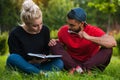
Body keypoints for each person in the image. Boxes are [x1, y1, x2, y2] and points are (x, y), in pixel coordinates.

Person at [48, 7, 117, 74]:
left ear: (81, 24)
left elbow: (113, 42)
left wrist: (89, 37)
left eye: (72, 25)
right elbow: (62, 46)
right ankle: (80, 70)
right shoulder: (63, 31)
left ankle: (80, 69)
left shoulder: (93, 30)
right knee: (54, 44)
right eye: (68, 23)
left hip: (91, 64)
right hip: (71, 63)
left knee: (108, 49)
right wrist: (55, 42)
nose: (68, 27)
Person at [6, 0, 63, 74]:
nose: (39, 28)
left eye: (41, 23)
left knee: (59, 63)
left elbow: (46, 51)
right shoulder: (15, 33)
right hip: (24, 64)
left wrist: (52, 46)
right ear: (26, 23)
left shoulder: (45, 30)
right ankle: (41, 73)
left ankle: (34, 73)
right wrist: (32, 61)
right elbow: (16, 55)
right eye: (35, 26)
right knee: (12, 58)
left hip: (39, 65)